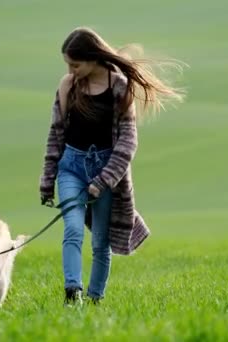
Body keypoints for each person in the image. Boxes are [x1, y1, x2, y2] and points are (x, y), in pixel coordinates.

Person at [39, 26, 186, 306]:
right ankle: (73, 293)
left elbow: (128, 141)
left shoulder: (119, 86)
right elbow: (56, 134)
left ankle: (95, 299)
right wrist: (47, 179)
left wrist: (103, 180)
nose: (70, 70)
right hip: (71, 167)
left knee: (100, 243)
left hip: (106, 171)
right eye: (67, 65)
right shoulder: (68, 85)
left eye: (75, 64)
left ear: (93, 58)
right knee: (72, 228)